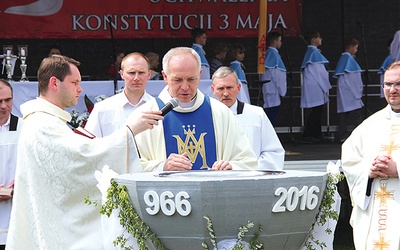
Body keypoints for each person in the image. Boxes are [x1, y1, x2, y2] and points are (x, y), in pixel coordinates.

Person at [5, 55, 163, 249]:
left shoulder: (48, 120)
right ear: (54, 83)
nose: (80, 89)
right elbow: (82, 159)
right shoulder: (42, 124)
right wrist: (129, 131)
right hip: (59, 229)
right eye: (74, 83)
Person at [133, 47, 258, 172]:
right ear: (165, 76)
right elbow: (130, 165)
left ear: (200, 74)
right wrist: (162, 166)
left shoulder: (220, 112)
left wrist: (230, 167)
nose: (185, 87)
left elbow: (247, 161)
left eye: (191, 79)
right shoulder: (147, 114)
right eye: (178, 80)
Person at [341, 61, 400, 250]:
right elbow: (349, 160)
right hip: (377, 211)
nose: (393, 89)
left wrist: (397, 169)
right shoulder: (370, 125)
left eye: (398, 83)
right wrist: (368, 170)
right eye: (388, 84)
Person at [211, 66, 284, 170]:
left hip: (251, 178)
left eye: (230, 87)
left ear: (238, 88)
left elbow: (273, 153)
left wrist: (244, 168)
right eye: (220, 88)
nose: (226, 93)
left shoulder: (256, 114)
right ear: (213, 90)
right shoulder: (205, 116)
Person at [85, 52, 154, 137]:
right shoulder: (102, 109)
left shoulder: (157, 108)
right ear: (122, 74)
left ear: (149, 75)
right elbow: (89, 145)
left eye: (141, 72)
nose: (136, 78)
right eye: (131, 72)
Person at [0, 79, 22, 250]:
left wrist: (22, 181)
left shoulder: (24, 127)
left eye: (8, 100)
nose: (4, 106)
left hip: (17, 207)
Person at [300, 31, 332, 143]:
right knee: (317, 110)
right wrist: (325, 85)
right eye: (319, 37)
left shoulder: (312, 53)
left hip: (314, 86)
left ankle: (316, 134)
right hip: (316, 86)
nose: (321, 39)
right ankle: (309, 133)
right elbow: (319, 73)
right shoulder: (313, 54)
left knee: (318, 110)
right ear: (314, 39)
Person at [333, 38, 364, 143]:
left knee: (343, 115)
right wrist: (358, 92)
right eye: (355, 48)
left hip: (345, 93)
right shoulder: (348, 60)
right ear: (351, 47)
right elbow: (353, 79)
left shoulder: (343, 59)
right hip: (351, 93)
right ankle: (360, 135)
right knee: (356, 115)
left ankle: (342, 134)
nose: (356, 50)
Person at [261, 31, 287, 126]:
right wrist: (282, 90)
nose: (281, 43)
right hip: (273, 89)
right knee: (272, 113)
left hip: (268, 89)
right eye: (280, 40)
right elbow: (277, 75)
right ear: (275, 41)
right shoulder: (273, 54)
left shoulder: (267, 53)